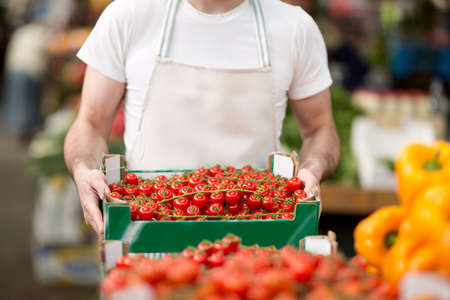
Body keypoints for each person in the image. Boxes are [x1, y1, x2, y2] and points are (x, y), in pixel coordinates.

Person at [64, 0, 341, 236]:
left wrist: (313, 168)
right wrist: (84, 170)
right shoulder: (128, 15)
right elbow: (90, 122)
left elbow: (320, 128)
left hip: (258, 226)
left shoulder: (294, 28)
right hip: (146, 226)